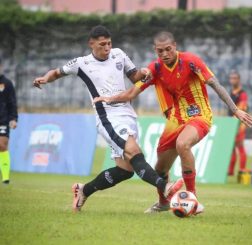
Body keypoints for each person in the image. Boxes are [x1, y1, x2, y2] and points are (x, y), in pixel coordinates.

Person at [93, 31, 252, 213]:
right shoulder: (155, 68)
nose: (164, 54)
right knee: (160, 167)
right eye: (160, 51)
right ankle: (163, 203)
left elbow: (215, 83)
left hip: (199, 115)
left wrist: (235, 110)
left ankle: (192, 198)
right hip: (175, 120)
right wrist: (108, 99)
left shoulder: (191, 61)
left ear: (175, 46)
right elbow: (131, 93)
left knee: (183, 144)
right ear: (155, 50)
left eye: (168, 49)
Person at [33, 26, 183, 212]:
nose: (107, 48)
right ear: (92, 44)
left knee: (125, 170)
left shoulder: (118, 54)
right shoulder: (81, 63)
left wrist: (143, 73)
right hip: (108, 117)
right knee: (133, 150)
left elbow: (134, 76)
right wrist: (45, 79)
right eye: (102, 44)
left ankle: (83, 190)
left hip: (127, 114)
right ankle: (165, 187)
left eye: (109, 43)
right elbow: (56, 72)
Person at [227, 71, 248, 176]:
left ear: (239, 80)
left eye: (235, 78)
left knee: (240, 146)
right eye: (231, 78)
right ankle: (230, 171)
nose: (233, 80)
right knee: (231, 147)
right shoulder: (231, 92)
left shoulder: (242, 94)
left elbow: (242, 108)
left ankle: (242, 169)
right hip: (231, 123)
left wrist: (234, 121)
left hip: (239, 124)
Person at [0, 57, 18, 184]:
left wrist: (13, 118)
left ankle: (5, 177)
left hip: (3, 119)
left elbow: (12, 102)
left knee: (2, 145)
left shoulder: (7, 83)